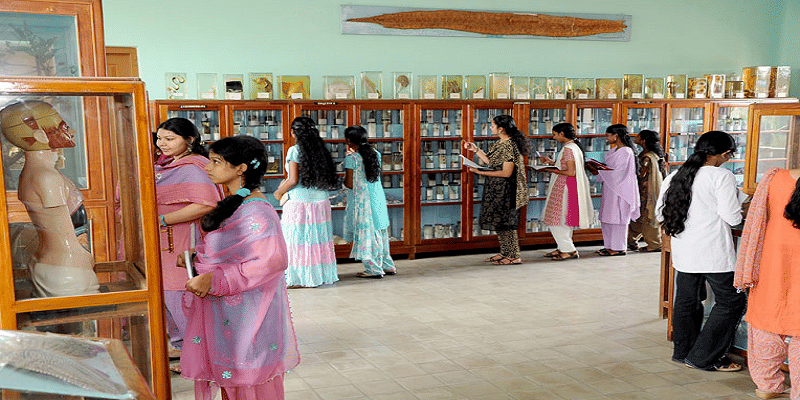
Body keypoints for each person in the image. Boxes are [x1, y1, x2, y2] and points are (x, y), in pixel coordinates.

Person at [181, 135, 299, 400]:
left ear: (241, 168)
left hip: (250, 312)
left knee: (251, 381)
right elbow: (231, 250)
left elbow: (270, 262)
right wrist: (196, 255)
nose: (207, 167)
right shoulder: (234, 204)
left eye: (216, 162)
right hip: (229, 312)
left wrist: (214, 279)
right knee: (231, 379)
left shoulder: (258, 211)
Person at [656, 130, 745, 372]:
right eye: (728, 155)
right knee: (732, 302)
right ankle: (705, 357)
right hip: (713, 252)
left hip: (684, 250)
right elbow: (732, 217)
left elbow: (659, 213)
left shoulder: (676, 174)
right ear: (724, 154)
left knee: (687, 300)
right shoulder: (722, 176)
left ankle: (683, 352)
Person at [0, 100, 98, 297]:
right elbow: (64, 233)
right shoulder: (46, 178)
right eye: (62, 127)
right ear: (39, 135)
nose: (71, 132)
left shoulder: (32, 173)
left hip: (57, 265)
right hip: (68, 270)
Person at [154, 117, 223, 358]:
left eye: (170, 139)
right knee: (166, 295)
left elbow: (206, 204)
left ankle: (198, 354)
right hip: (163, 243)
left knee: (181, 296)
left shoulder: (194, 167)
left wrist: (163, 220)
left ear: (190, 140)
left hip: (184, 242)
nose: (162, 143)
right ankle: (183, 347)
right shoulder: (165, 167)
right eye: (160, 138)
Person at [735, 166, 800, 399]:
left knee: (766, 319)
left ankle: (767, 386)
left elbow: (756, 220)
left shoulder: (774, 178)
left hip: (774, 260)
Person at [274, 117, 339, 288]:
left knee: (298, 240)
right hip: (321, 201)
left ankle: (299, 278)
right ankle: (318, 275)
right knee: (318, 239)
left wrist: (279, 192)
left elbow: (293, 180)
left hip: (300, 203)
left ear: (293, 132)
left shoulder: (294, 151)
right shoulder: (322, 151)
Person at [463, 114, 530, 265]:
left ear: (501, 129)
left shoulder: (509, 146)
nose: (490, 128)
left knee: (507, 223)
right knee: (499, 222)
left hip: (507, 190)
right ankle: (505, 252)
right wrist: (475, 150)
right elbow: (490, 161)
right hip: (498, 188)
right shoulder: (501, 143)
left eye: (492, 125)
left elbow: (506, 173)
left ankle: (514, 255)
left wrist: (480, 172)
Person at [343, 125, 397, 278]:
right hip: (378, 198)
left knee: (366, 234)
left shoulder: (352, 159)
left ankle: (373, 269)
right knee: (380, 232)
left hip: (363, 202)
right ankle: (388, 265)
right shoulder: (376, 154)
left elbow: (350, 184)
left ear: (349, 141)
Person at [538, 122, 595, 261]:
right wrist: (551, 162)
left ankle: (568, 250)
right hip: (568, 186)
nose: (554, 137)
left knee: (556, 219)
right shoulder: (573, 147)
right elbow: (566, 166)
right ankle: (562, 247)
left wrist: (548, 170)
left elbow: (570, 172)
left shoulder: (569, 149)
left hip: (564, 187)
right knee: (563, 218)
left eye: (555, 134)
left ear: (562, 134)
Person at [589, 124, 640, 256]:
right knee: (607, 217)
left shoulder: (626, 151)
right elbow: (611, 170)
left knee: (618, 218)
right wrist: (598, 170)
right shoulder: (615, 151)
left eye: (608, 135)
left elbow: (620, 173)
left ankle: (619, 248)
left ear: (616, 136)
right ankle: (609, 245)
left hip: (621, 189)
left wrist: (601, 171)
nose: (607, 138)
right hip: (611, 188)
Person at [627, 129, 666, 252]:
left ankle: (655, 244)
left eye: (638, 136)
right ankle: (631, 241)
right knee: (637, 219)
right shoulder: (652, 154)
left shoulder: (648, 157)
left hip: (646, 193)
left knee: (647, 218)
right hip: (643, 192)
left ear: (643, 141)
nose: (636, 137)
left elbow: (641, 175)